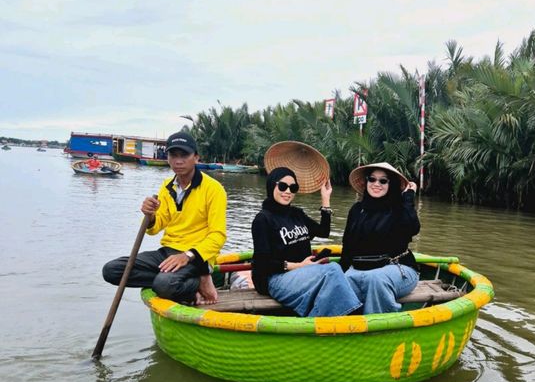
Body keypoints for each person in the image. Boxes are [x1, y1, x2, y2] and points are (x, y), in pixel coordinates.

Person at [102, 131, 227, 305]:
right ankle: (191, 283)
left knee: (164, 284)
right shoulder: (167, 186)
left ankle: (197, 279)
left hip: (197, 257)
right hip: (167, 252)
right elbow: (156, 226)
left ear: (196, 158)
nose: (178, 160)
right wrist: (150, 215)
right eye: (173, 155)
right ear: (167, 158)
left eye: (184, 155)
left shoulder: (213, 189)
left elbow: (218, 236)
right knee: (112, 270)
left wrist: (187, 256)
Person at [251, 167, 361, 317]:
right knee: (333, 269)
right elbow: (261, 263)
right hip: (274, 279)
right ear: (271, 186)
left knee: (334, 274)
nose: (288, 191)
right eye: (283, 186)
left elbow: (323, 231)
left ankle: (322, 321)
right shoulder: (263, 219)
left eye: (293, 187)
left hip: (303, 274)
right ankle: (354, 318)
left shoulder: (296, 214)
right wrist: (298, 265)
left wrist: (326, 199)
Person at [340, 162, 420, 314]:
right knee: (339, 284)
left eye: (383, 181)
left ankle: (379, 329)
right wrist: (341, 275)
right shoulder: (357, 210)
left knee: (376, 280)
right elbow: (347, 246)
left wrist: (408, 198)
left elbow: (413, 228)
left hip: (399, 269)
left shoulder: (399, 208)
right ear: (366, 181)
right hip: (361, 269)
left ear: (392, 184)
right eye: (372, 179)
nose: (376, 184)